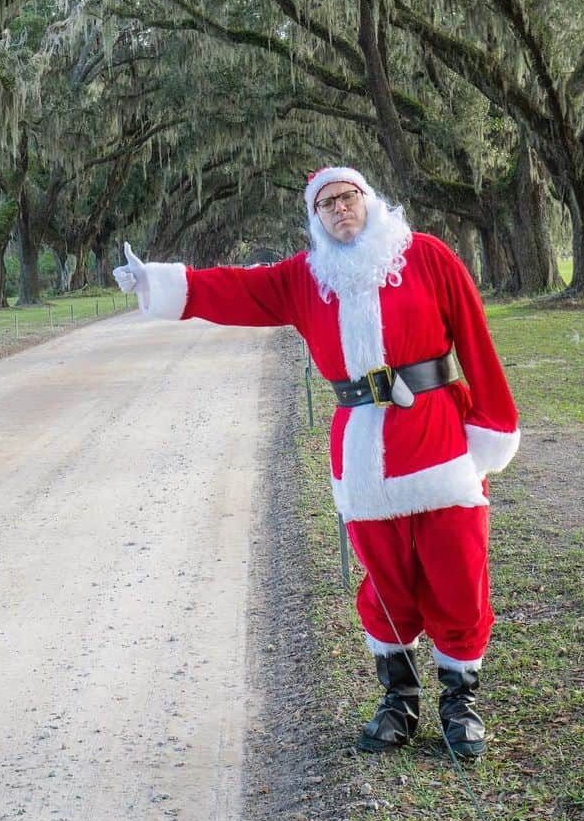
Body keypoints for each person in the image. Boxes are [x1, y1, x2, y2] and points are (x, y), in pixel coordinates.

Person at [113, 166, 520, 760]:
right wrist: (158, 282)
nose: (338, 210)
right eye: (325, 203)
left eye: (347, 197)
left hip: (437, 440)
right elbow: (234, 290)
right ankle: (399, 701)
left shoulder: (427, 256)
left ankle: (461, 703)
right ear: (316, 217)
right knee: (385, 580)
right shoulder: (306, 278)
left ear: (368, 199)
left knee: (457, 569)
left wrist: (492, 422)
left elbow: (475, 340)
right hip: (361, 451)